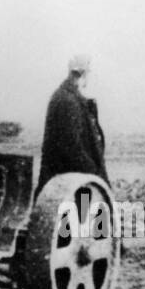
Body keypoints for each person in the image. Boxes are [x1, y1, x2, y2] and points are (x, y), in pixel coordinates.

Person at [37, 54, 107, 193]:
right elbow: (71, 147)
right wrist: (94, 173)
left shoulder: (65, 97)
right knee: (84, 214)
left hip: (69, 184)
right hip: (73, 186)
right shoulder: (68, 101)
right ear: (84, 74)